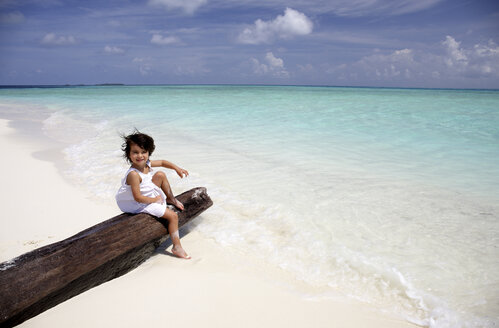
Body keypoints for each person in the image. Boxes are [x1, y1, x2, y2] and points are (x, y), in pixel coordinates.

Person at [115, 131, 190, 259]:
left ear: (148, 152)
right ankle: (176, 246)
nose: (140, 156)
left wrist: (177, 168)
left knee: (160, 174)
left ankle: (171, 199)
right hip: (138, 203)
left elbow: (162, 162)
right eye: (135, 152)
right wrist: (154, 199)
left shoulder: (146, 164)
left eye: (143, 152)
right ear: (128, 154)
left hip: (146, 194)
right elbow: (137, 197)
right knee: (173, 216)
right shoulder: (133, 174)